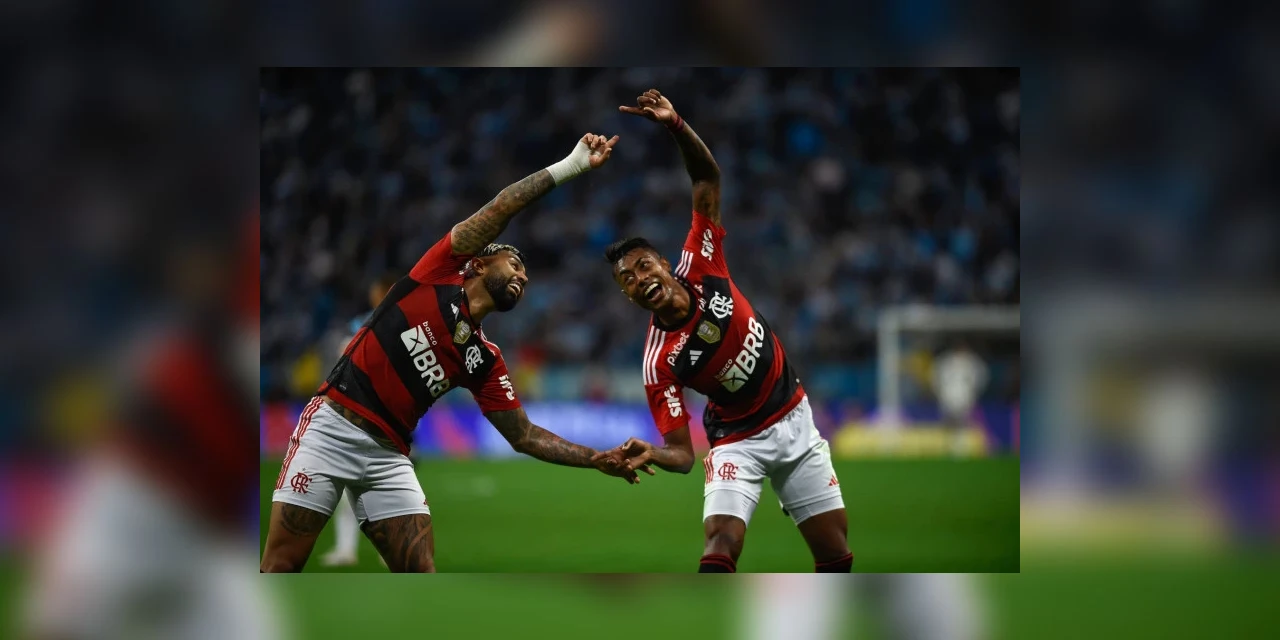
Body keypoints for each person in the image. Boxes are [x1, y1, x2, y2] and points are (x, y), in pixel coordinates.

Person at [260, 133, 649, 573]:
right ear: (479, 264)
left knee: (422, 578)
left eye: (526, 273)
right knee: (282, 566)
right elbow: (502, 207)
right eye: (515, 264)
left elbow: (524, 436)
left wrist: (597, 458)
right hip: (331, 430)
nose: (523, 276)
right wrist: (571, 167)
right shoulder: (437, 274)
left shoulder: (484, 358)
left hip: (389, 455)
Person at [593, 90, 850, 573]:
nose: (639, 279)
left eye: (644, 266)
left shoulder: (702, 260)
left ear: (665, 265)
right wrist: (651, 450)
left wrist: (676, 125)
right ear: (627, 297)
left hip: (795, 417)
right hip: (737, 441)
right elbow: (682, 455)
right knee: (720, 547)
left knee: (835, 555)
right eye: (627, 280)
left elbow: (706, 177)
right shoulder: (659, 360)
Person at [319, 273, 397, 567]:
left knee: (383, 488)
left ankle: (383, 549)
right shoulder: (366, 324)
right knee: (353, 486)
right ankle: (347, 549)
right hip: (361, 415)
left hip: (382, 417)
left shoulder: (402, 323)